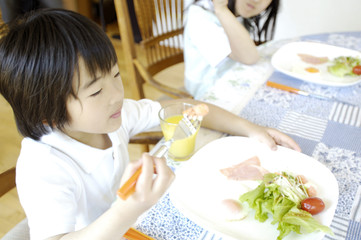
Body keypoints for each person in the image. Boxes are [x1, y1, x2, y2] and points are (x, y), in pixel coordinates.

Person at [0, 8, 299, 240]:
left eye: (116, 76)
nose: (118, 95)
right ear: (49, 115)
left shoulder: (112, 118)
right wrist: (126, 211)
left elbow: (186, 111)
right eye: (96, 91)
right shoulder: (43, 167)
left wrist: (251, 129)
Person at [184, 0, 279, 99]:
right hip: (205, 88)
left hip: (232, 76)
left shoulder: (239, 12)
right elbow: (249, 57)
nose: (256, 0)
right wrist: (221, 9)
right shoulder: (200, 16)